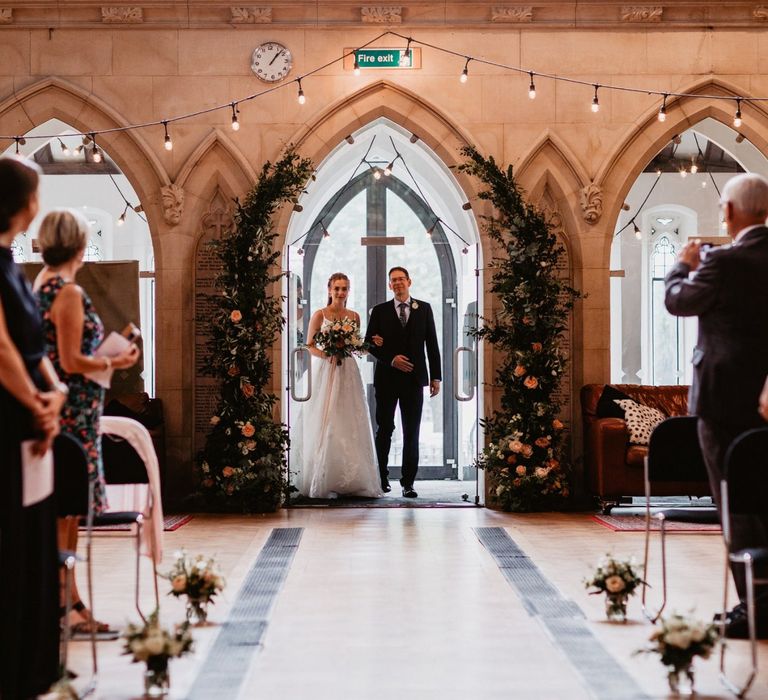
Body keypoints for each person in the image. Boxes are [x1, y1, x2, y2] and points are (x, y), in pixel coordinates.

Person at [664, 172, 768, 638]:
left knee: (735, 504)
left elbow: (677, 301)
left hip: (724, 401)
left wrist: (681, 265)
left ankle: (754, 609)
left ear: (728, 212)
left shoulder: (724, 262)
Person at [34, 208, 140, 639]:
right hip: (75, 414)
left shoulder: (41, 285)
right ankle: (67, 607)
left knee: (65, 511)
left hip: (65, 410)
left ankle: (68, 600)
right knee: (69, 511)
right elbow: (73, 359)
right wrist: (116, 358)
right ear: (80, 246)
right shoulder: (69, 293)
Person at [0, 157, 65, 698]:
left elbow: (33, 346)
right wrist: (37, 403)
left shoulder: (13, 262)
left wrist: (53, 393)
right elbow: (0, 349)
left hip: (29, 417)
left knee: (34, 538)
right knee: (12, 542)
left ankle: (34, 665)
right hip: (6, 419)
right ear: (24, 203)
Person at [293, 272, 383, 498]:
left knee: (349, 418)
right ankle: (322, 475)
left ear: (348, 291)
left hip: (348, 370)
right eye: (337, 289)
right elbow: (310, 346)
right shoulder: (319, 315)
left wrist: (371, 344)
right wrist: (327, 355)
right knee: (325, 417)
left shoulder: (354, 316)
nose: (340, 293)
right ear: (329, 290)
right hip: (326, 368)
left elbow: (358, 348)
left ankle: (352, 478)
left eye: (344, 289)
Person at [365, 266, 442, 498]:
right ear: (390, 285)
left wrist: (435, 377)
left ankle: (408, 482)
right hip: (387, 379)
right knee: (385, 429)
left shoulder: (424, 309)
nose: (397, 283)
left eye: (401, 279)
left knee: (412, 431)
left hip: (413, 380)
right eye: (393, 280)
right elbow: (369, 344)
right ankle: (382, 477)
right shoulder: (379, 311)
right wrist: (391, 359)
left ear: (409, 281)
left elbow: (432, 345)